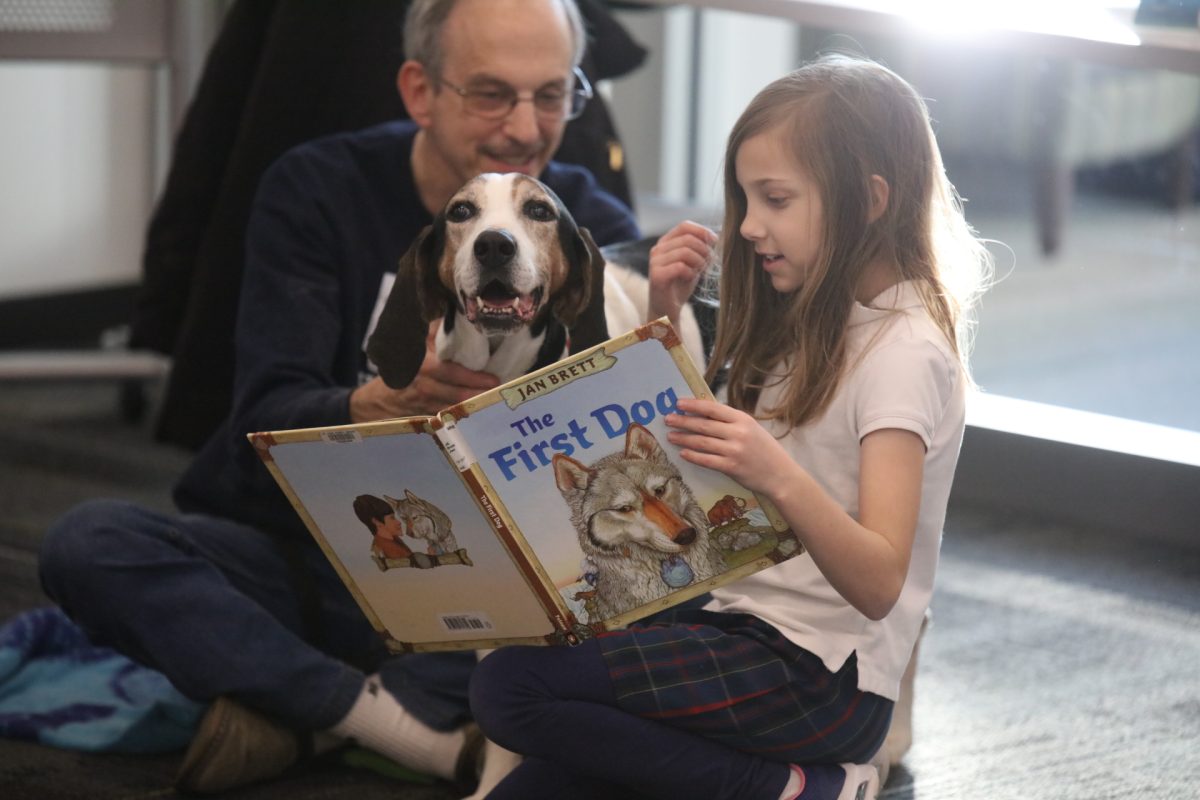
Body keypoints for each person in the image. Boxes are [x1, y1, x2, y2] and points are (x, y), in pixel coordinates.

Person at [37, 0, 706, 794]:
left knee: (656, 603)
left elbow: (627, 477)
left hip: (493, 606)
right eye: (492, 93)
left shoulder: (584, 220)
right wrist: (381, 402)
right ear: (420, 90)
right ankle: (402, 731)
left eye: (552, 94)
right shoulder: (317, 190)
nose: (526, 127)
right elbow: (261, 417)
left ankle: (297, 711)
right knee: (89, 544)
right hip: (311, 564)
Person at [468, 54, 992, 800]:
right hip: (737, 628)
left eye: (775, 199)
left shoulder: (904, 351)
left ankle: (798, 789)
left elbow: (880, 579)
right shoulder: (818, 317)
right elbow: (686, 472)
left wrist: (775, 472)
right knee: (532, 787)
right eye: (746, 199)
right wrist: (663, 312)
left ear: (870, 199)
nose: (748, 226)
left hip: (823, 679)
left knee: (508, 690)